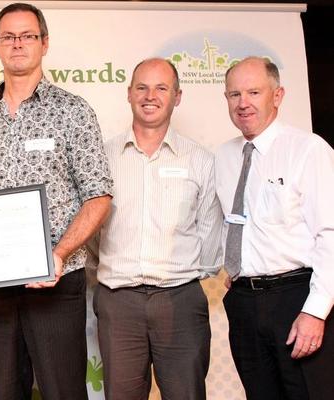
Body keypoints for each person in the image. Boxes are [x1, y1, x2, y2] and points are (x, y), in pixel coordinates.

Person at [0, 3, 113, 399]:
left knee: (63, 391)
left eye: (27, 35)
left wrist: (59, 253)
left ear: (44, 43)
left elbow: (99, 196)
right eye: (8, 36)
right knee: (5, 392)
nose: (17, 43)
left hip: (56, 280)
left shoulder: (73, 111)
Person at [90, 58, 222, 400]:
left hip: (180, 299)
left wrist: (183, 274)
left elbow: (209, 238)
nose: (151, 96)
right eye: (142, 87)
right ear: (129, 94)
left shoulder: (201, 161)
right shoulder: (102, 158)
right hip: (118, 303)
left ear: (177, 96)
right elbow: (90, 232)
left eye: (162, 88)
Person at [216, 56, 334, 400]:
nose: (243, 103)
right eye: (234, 94)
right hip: (243, 302)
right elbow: (229, 223)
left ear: (278, 95)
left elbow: (330, 233)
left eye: (254, 92)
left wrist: (315, 311)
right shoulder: (223, 156)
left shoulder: (309, 150)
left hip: (296, 298)